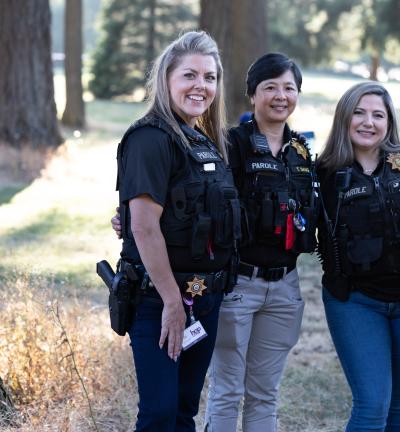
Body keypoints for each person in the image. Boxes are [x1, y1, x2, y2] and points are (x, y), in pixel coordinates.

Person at [114, 31, 239, 431]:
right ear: (166, 78)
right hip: (160, 301)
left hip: (204, 299)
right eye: (189, 75)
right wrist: (171, 303)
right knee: (159, 414)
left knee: (184, 410)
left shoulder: (203, 140)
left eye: (210, 77)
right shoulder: (150, 137)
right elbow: (145, 227)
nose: (200, 86)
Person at [316, 82, 400, 431]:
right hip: (355, 301)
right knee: (373, 404)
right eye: (359, 112)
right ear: (344, 117)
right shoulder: (325, 173)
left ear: (389, 122)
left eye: (378, 114)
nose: (368, 122)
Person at [203, 53, 317, 432]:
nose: (281, 96)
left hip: (285, 289)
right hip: (238, 286)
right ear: (253, 94)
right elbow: (195, 199)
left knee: (265, 393)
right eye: (271, 87)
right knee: (226, 391)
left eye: (289, 88)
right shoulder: (229, 144)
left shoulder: (302, 153)